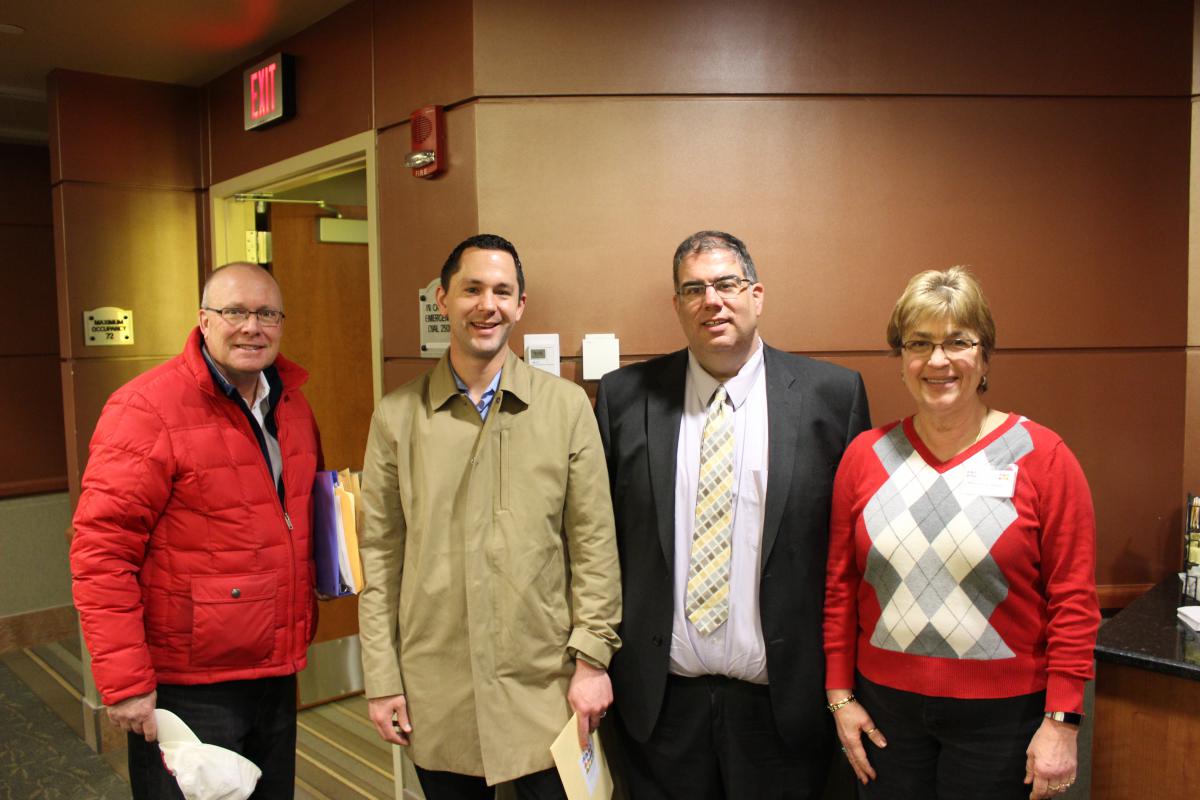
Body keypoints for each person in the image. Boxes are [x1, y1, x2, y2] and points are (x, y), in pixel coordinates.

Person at [594, 230, 871, 798]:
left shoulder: (831, 396)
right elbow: (601, 541)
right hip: (659, 706)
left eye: (726, 284)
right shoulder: (625, 397)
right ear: (676, 306)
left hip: (783, 707)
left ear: (757, 294)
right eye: (693, 289)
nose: (711, 301)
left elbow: (853, 555)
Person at [357, 233, 621, 799]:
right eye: (471, 289)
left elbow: (594, 541)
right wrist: (381, 679)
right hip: (437, 685)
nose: (488, 305)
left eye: (503, 291)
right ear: (441, 298)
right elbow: (379, 557)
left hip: (545, 683)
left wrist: (593, 660)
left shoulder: (565, 406)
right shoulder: (397, 416)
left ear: (521, 305)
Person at [823, 267, 1100, 800]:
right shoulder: (865, 457)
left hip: (1004, 723)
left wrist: (1063, 721)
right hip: (885, 717)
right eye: (919, 343)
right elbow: (840, 589)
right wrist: (840, 698)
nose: (938, 360)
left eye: (958, 342)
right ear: (901, 359)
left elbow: (1073, 600)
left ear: (985, 355)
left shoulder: (1043, 457)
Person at [70, 262, 322, 799]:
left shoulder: (292, 404)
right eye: (235, 311)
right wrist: (126, 684)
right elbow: (101, 553)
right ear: (203, 320)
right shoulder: (146, 407)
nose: (252, 327)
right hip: (191, 684)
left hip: (275, 669)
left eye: (267, 313)